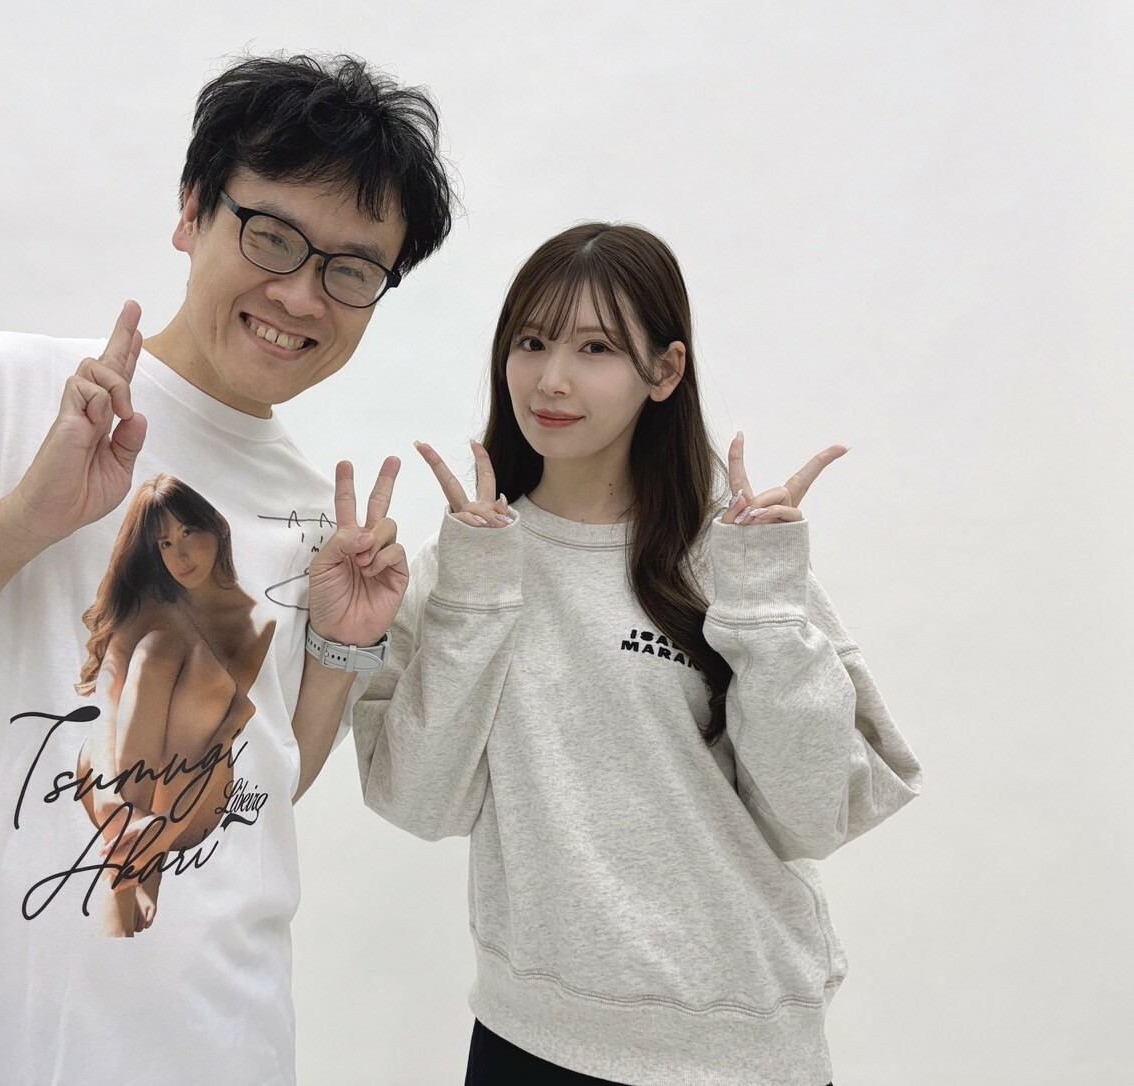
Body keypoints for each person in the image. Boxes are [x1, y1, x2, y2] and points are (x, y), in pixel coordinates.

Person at [0, 53, 447, 1084]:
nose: (301, 294)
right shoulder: (11, 391)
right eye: (271, 236)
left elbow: (259, 790)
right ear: (191, 212)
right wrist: (20, 525)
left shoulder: (318, 514)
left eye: (352, 270)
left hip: (221, 1047)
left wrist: (343, 648)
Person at [353, 223, 922, 1086]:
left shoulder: (731, 558)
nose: (550, 379)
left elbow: (811, 816)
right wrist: (474, 592)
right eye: (531, 342)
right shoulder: (466, 568)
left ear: (664, 371)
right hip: (528, 1037)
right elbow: (420, 803)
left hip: (734, 1048)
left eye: (594, 348)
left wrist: (764, 604)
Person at [73, 473, 276, 937]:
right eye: (165, 544)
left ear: (216, 528)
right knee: (158, 647)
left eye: (188, 533)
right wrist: (112, 806)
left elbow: (220, 740)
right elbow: (107, 707)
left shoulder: (254, 624)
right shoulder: (150, 604)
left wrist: (159, 835)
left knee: (208, 679)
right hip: (108, 782)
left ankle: (140, 867)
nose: (180, 556)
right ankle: (126, 870)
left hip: (190, 804)